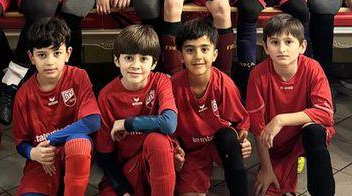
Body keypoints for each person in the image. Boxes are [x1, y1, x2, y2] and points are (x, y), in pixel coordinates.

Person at [248, 15, 335, 196]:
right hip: (276, 143)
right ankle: (286, 164)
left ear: (302, 46)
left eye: (288, 42)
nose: (282, 49)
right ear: (265, 47)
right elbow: (257, 127)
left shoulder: (312, 68)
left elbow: (326, 113)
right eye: (275, 42)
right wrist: (266, 168)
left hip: (303, 134)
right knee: (267, 189)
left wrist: (280, 120)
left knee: (314, 132)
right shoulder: (258, 74)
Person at [13, 17, 100, 196]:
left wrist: (51, 139)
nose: (50, 62)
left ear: (68, 54)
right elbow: (21, 143)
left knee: (79, 144)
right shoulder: (23, 95)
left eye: (57, 53)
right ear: (31, 57)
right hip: (43, 159)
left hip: (73, 152)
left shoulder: (78, 77)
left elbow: (92, 121)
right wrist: (33, 153)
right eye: (42, 55)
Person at [171, 18, 251, 196]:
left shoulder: (224, 84)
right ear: (180, 56)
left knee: (228, 137)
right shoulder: (172, 87)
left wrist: (243, 140)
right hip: (191, 151)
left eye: (204, 49)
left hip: (219, 144)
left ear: (215, 54)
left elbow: (241, 121)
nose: (198, 56)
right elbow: (168, 127)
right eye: (190, 50)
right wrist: (175, 148)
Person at [96, 25, 177, 196]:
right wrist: (124, 191)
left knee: (158, 141)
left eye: (143, 59)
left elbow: (169, 124)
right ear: (117, 60)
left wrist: (127, 124)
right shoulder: (107, 95)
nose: (136, 65)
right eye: (128, 58)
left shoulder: (161, 81)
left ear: (154, 63)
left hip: (156, 165)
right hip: (125, 171)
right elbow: (105, 155)